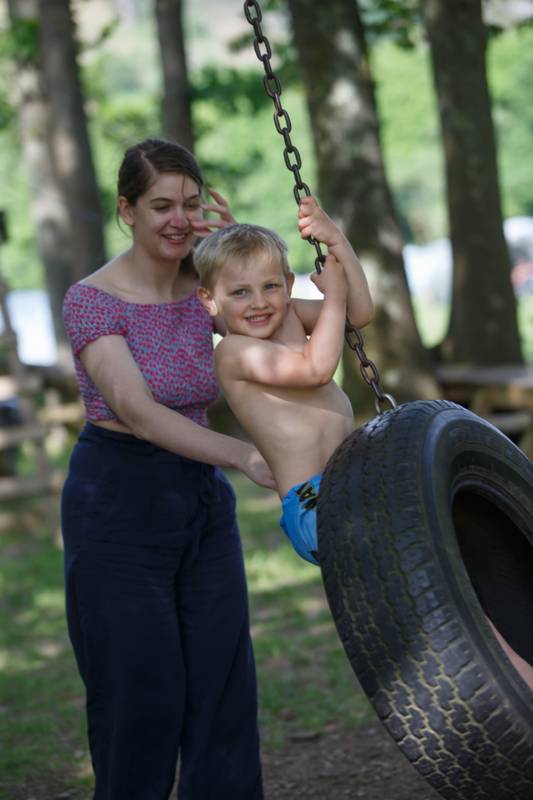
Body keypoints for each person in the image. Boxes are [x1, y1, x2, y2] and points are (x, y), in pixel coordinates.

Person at [61, 138, 273, 800]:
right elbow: (139, 411)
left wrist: (233, 247)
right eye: (160, 206)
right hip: (116, 502)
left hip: (200, 504)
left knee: (223, 694)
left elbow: (326, 321)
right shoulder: (91, 300)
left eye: (189, 203)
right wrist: (243, 455)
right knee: (139, 699)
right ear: (126, 210)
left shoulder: (206, 290)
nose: (178, 219)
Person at [194, 196, 374, 566]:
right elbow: (315, 370)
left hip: (352, 482)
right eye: (240, 292)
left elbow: (359, 314)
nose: (258, 303)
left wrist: (336, 241)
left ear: (289, 284)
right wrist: (334, 294)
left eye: (270, 287)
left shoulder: (290, 315)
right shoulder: (233, 352)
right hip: (314, 502)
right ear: (209, 301)